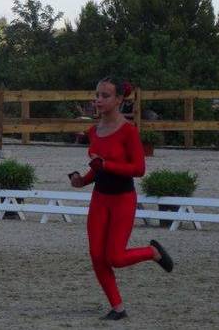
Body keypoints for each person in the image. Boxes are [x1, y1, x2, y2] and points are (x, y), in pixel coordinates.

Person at [69, 76, 173, 321]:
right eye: (97, 95)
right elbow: (97, 168)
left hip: (122, 199)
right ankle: (118, 307)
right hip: (100, 199)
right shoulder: (94, 131)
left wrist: (108, 164)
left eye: (105, 96)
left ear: (118, 100)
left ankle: (151, 252)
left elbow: (139, 169)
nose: (98, 100)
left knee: (114, 257)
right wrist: (81, 180)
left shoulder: (129, 131)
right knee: (97, 256)